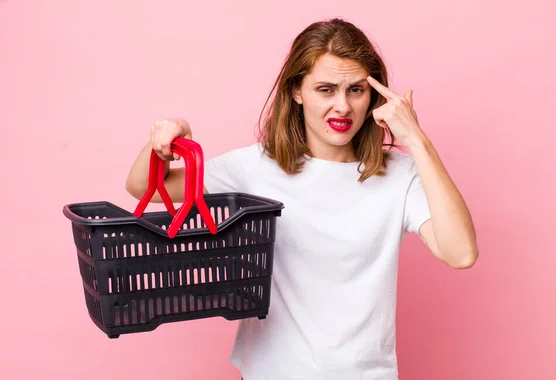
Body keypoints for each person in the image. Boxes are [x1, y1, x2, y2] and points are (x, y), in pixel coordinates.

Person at [125, 18, 478, 380]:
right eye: (325, 89)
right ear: (297, 91)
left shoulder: (399, 173)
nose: (342, 106)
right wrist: (166, 139)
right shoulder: (255, 166)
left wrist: (417, 140)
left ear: (374, 95)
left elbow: (461, 252)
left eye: (356, 89)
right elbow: (145, 188)